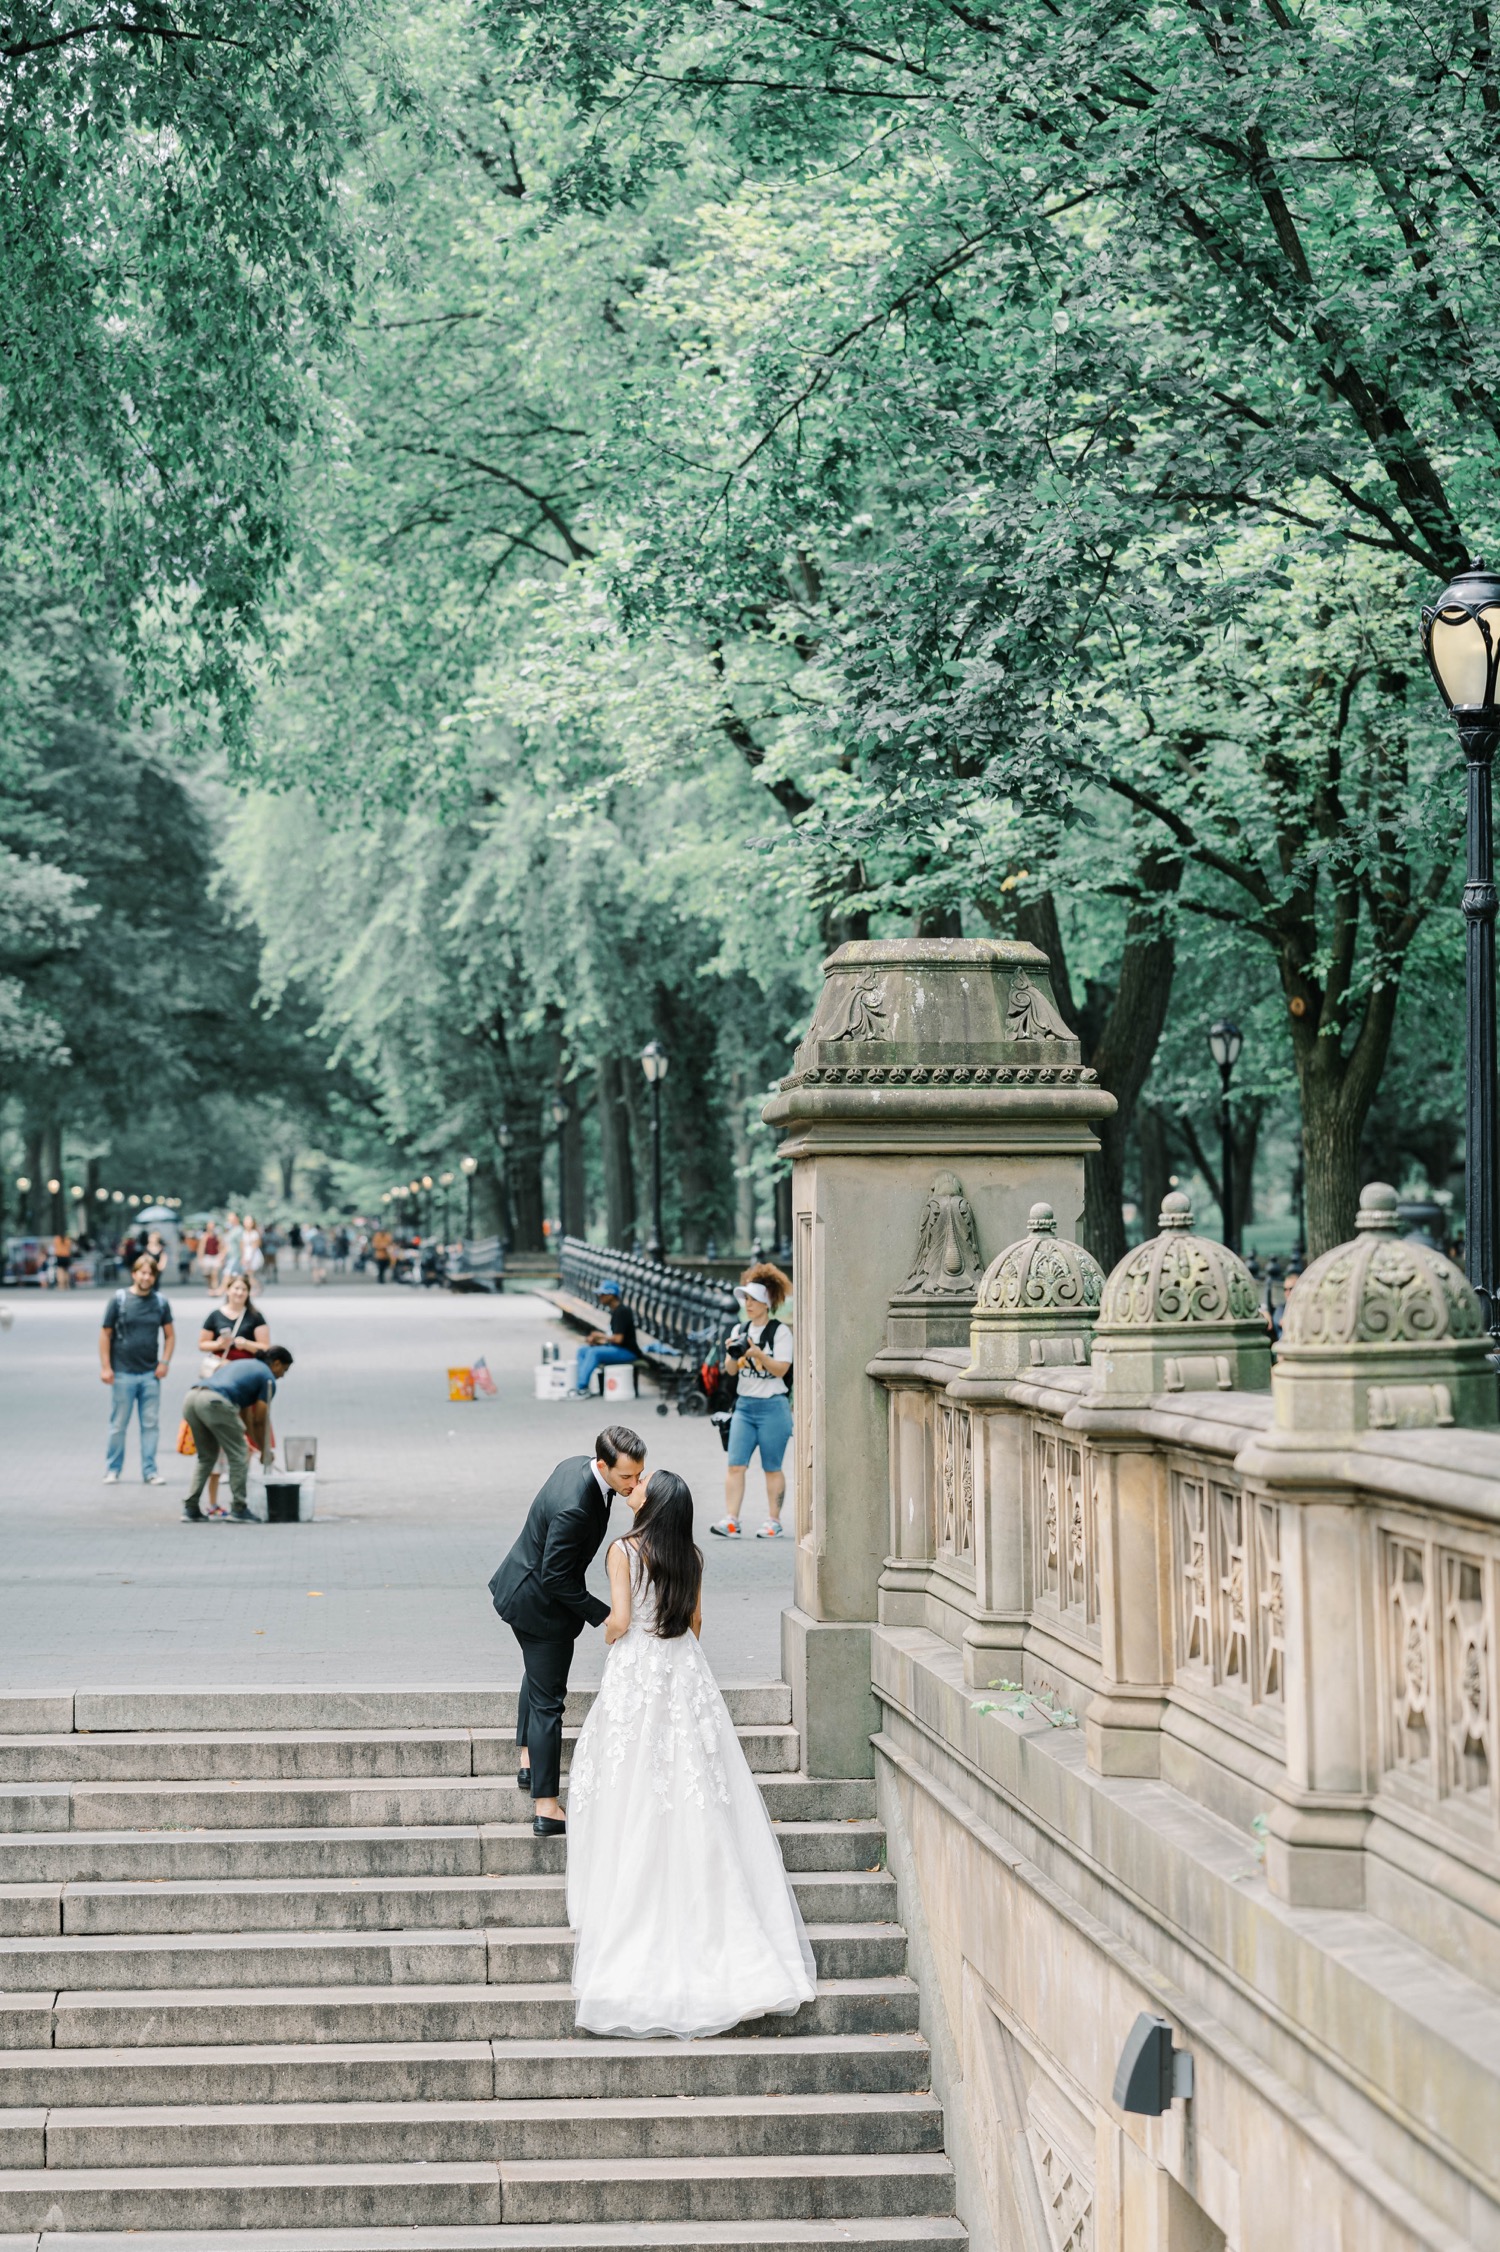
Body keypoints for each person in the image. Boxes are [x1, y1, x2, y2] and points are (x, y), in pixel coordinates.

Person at [567, 1467, 816, 2038]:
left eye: (640, 1488)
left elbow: (622, 1621)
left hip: (637, 1668)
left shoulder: (623, 1552)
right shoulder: (693, 1557)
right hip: (683, 1668)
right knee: (694, 1780)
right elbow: (696, 1622)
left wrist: (610, 1635)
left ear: (652, 1505)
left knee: (628, 1778)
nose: (633, 1491)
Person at [488, 1426, 647, 1838]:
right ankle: (546, 1806)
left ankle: (528, 1761)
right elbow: (555, 1577)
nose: (633, 1484)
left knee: (537, 1679)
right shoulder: (577, 1506)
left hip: (521, 1586)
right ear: (602, 1465)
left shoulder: (574, 1467)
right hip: (539, 1606)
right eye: (626, 1477)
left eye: (638, 1475)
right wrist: (606, 1615)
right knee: (548, 1703)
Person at [712, 1264, 793, 1541]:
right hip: (744, 1406)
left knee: (772, 1467)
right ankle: (731, 1520)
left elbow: (781, 1369)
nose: (747, 1304)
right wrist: (732, 1353)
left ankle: (774, 1520)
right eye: (745, 1299)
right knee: (735, 1465)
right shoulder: (739, 1328)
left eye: (753, 1299)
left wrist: (759, 1354)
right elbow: (731, 1371)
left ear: (766, 1303)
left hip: (773, 1406)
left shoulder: (780, 1332)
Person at [180, 1347, 294, 1522]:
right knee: (239, 1454)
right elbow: (259, 1420)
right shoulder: (267, 1377)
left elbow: (246, 1415)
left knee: (206, 1457)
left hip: (192, 1398)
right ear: (277, 1363)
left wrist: (254, 1443)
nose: (282, 1375)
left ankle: (191, 1507)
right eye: (284, 1370)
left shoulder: (245, 1365)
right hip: (215, 1402)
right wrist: (264, 1450)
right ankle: (239, 1508)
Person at [197, 1273, 273, 1517]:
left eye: (243, 1289)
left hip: (246, 1385)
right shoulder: (215, 1316)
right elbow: (202, 1344)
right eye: (235, 1288)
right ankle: (213, 1502)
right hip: (220, 1381)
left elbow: (266, 1347)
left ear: (248, 1292)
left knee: (245, 1441)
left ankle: (242, 1498)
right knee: (216, 1447)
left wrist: (246, 1345)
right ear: (227, 1290)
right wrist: (221, 1343)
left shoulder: (255, 1317)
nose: (239, 1293)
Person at [100, 1254, 176, 1486]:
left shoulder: (160, 1302)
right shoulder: (119, 1300)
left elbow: (170, 1335)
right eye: (142, 1272)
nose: (146, 1277)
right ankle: (113, 1469)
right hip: (123, 1372)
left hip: (150, 1374)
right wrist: (106, 1367)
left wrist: (164, 1362)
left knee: (150, 1425)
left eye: (150, 1273)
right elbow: (105, 1333)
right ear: (134, 1274)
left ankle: (150, 1471)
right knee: (118, 1425)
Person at [573, 1279, 638, 1397]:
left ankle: (581, 1388)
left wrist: (600, 1336)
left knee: (594, 1353)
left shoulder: (622, 1311)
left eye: (602, 1294)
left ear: (611, 1295)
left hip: (628, 1352)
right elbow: (612, 1339)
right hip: (616, 1348)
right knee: (583, 1350)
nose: (600, 1297)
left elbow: (618, 1339)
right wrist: (597, 1340)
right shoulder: (615, 1311)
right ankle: (582, 1384)